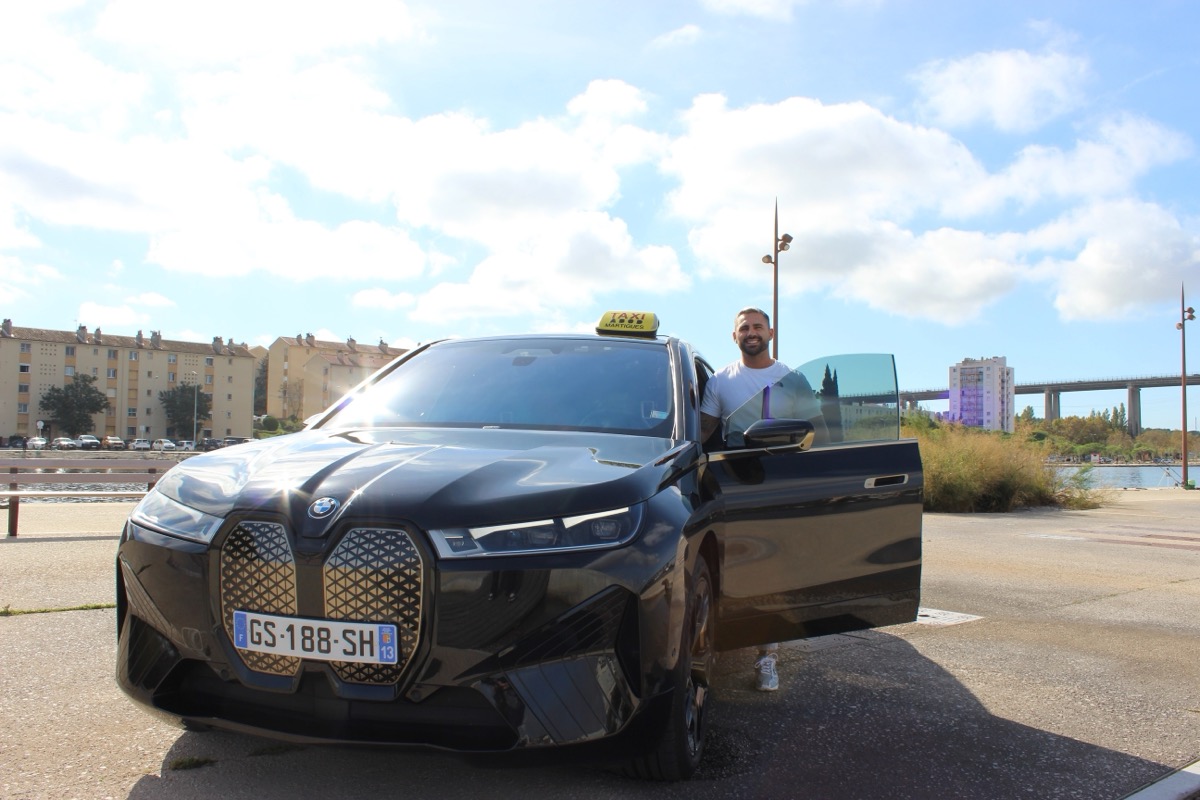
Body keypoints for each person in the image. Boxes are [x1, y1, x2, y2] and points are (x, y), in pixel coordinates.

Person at [699, 306, 790, 692]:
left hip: (779, 487)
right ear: (733, 336)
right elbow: (702, 437)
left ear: (770, 332)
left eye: (757, 326)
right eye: (744, 328)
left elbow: (817, 432)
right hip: (735, 487)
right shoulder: (719, 382)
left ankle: (765, 659)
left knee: (770, 575)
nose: (751, 332)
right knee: (738, 572)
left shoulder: (790, 378)